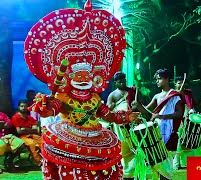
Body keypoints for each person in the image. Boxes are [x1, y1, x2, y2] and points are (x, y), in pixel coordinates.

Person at [23, 1, 140, 179]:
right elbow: (50, 110)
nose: (84, 79)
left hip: (95, 136)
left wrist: (125, 116)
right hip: (68, 138)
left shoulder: (94, 98)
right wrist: (44, 105)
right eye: (79, 76)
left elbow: (107, 115)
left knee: (113, 151)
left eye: (87, 76)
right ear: (70, 77)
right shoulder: (62, 95)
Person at [134, 68, 184, 179]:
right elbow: (146, 112)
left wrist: (161, 116)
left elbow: (179, 114)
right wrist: (137, 103)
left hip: (169, 133)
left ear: (167, 79)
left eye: (159, 78)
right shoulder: (157, 96)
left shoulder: (174, 96)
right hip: (157, 133)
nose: (157, 81)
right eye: (156, 79)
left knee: (165, 165)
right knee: (156, 163)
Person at [106, 72, 139, 179]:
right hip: (120, 126)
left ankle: (135, 173)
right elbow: (108, 109)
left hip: (133, 123)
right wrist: (113, 105)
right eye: (120, 82)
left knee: (136, 147)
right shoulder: (113, 95)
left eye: (124, 81)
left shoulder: (132, 91)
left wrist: (135, 106)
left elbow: (138, 104)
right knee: (123, 149)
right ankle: (126, 173)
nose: (122, 83)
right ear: (115, 83)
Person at [173, 76, 198, 170]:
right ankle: (176, 164)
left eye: (183, 82)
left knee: (189, 139)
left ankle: (189, 163)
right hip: (177, 117)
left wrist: (196, 105)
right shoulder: (173, 93)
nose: (182, 85)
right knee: (178, 140)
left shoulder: (188, 92)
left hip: (187, 116)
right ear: (175, 84)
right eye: (179, 83)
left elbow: (193, 102)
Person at [11, 100, 42, 166]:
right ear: (18, 107)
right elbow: (19, 131)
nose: (23, 108)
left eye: (25, 106)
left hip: (32, 135)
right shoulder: (15, 117)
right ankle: (39, 163)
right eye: (21, 106)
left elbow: (36, 130)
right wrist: (30, 129)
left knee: (43, 141)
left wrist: (24, 129)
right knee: (32, 143)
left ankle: (47, 161)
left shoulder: (30, 117)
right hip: (20, 137)